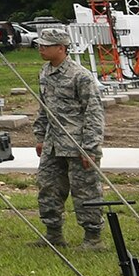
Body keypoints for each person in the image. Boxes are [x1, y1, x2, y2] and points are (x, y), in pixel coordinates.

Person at [31, 24, 107, 250]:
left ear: (62, 48)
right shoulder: (45, 73)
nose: (41, 49)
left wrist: (91, 147)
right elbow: (44, 107)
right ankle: (53, 234)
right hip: (53, 144)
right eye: (40, 45)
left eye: (46, 46)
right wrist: (40, 135)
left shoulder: (80, 76)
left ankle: (93, 238)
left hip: (78, 144)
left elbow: (94, 112)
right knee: (48, 187)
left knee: (85, 190)